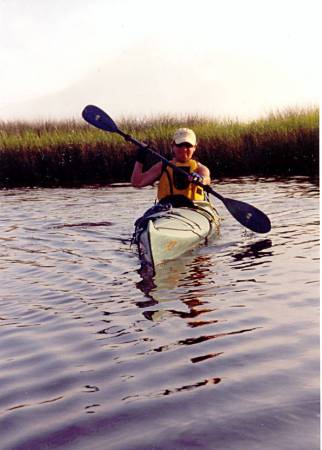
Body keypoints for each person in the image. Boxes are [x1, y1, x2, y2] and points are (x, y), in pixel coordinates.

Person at [131, 128, 211, 204]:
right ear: (173, 146)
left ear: (194, 147)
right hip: (166, 208)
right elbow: (137, 182)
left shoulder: (200, 169)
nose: (184, 149)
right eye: (180, 145)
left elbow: (206, 179)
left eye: (188, 145)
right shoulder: (162, 166)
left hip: (194, 209)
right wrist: (140, 158)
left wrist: (200, 179)